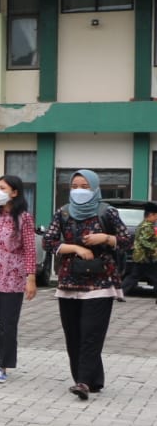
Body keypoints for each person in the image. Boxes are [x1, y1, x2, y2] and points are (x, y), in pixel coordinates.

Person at [43, 169, 131, 400]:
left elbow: (126, 240)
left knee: (91, 334)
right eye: (75, 186)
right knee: (73, 334)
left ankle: (82, 382)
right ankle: (92, 379)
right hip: (69, 282)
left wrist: (106, 238)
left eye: (85, 186)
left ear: (95, 188)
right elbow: (48, 241)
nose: (79, 190)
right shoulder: (62, 213)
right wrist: (76, 248)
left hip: (100, 282)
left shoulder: (107, 212)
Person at [0, 175, 38, 384]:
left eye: (3, 188)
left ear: (15, 193)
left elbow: (30, 249)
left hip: (12, 277)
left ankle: (3, 365)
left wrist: (31, 278)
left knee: (8, 323)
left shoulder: (24, 218)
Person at [123, 201, 157, 298]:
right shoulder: (147, 226)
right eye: (156, 216)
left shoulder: (143, 224)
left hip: (141, 257)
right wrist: (154, 248)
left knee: (133, 276)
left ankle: (120, 293)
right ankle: (120, 293)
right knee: (152, 276)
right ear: (151, 215)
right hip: (146, 257)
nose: (156, 218)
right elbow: (144, 241)